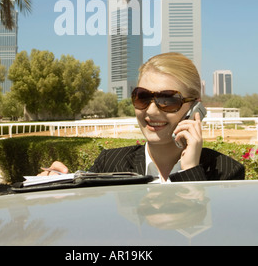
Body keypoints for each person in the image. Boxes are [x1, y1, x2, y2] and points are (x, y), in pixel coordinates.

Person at [40, 52, 245, 182]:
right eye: (143, 97)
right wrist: (59, 182)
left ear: (195, 107)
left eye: (168, 99)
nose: (152, 111)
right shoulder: (109, 163)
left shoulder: (226, 172)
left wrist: (190, 170)